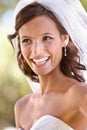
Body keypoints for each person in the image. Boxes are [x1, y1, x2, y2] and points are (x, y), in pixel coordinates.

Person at [8, 0, 87, 130]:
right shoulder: (22, 106)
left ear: (64, 39)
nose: (36, 51)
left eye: (47, 38)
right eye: (27, 40)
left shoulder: (79, 95)